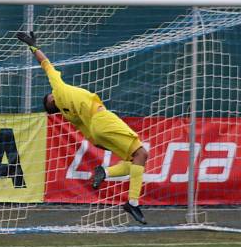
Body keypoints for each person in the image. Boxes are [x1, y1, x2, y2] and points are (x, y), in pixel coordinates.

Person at [16, 31, 149, 224]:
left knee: (137, 159)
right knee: (141, 153)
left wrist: (102, 144)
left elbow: (90, 135)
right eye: (49, 96)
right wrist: (34, 46)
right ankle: (131, 199)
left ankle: (114, 181)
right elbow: (46, 65)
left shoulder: (69, 115)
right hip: (102, 119)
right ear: (51, 100)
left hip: (97, 131)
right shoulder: (59, 89)